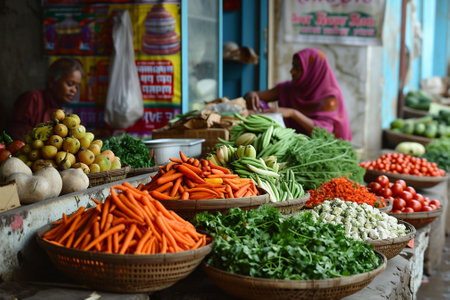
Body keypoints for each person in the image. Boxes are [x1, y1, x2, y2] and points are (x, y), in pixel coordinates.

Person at [245, 48, 352, 141]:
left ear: (312, 72)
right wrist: (251, 95)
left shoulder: (330, 98)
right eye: (293, 66)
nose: (292, 71)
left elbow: (324, 131)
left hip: (316, 147)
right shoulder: (288, 88)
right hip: (287, 143)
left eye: (298, 68)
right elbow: (256, 95)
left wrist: (293, 113)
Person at [7, 58, 83, 140]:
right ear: (52, 81)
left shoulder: (62, 113)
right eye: (70, 84)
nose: (74, 90)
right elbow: (16, 132)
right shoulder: (32, 99)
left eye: (77, 86)